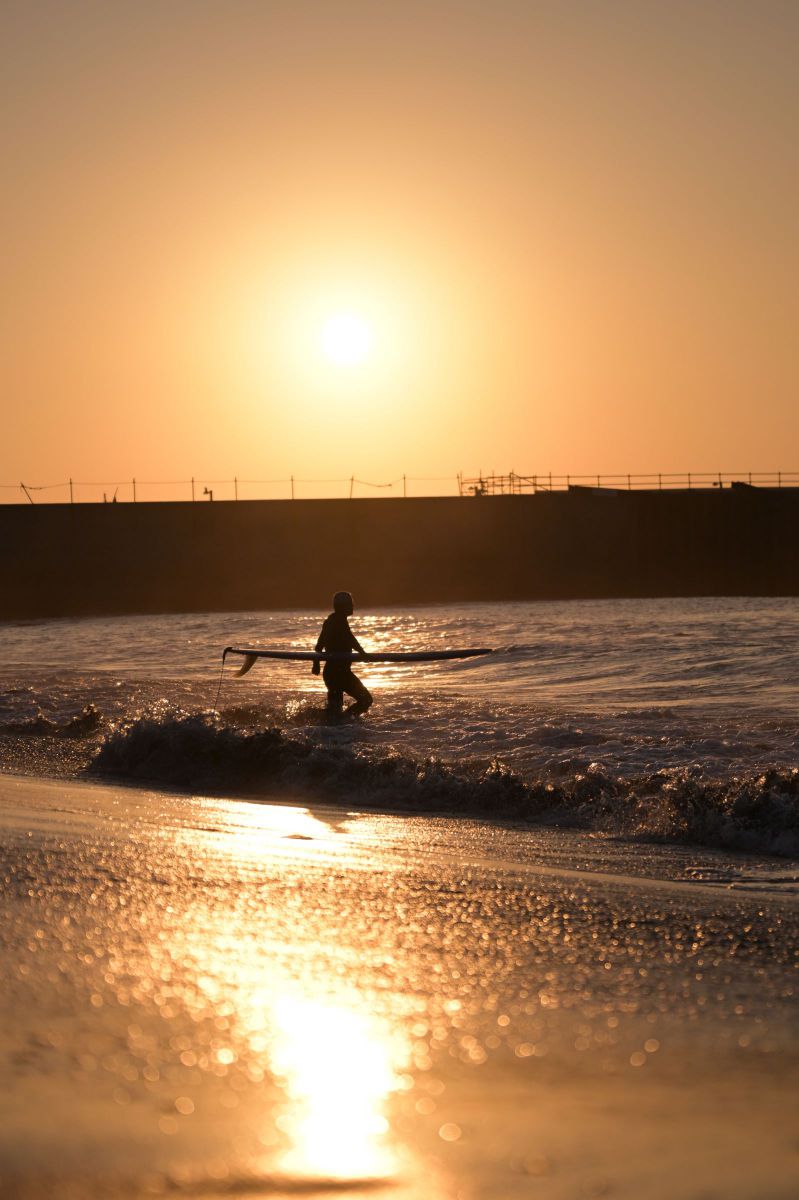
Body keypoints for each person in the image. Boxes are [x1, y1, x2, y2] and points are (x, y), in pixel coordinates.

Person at [313, 591, 373, 716]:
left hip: (330, 673)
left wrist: (316, 664)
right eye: (350, 604)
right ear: (343, 606)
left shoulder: (329, 621)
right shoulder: (340, 621)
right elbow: (350, 639)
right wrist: (363, 653)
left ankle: (332, 720)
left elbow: (319, 646)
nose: (353, 607)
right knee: (366, 700)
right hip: (340, 673)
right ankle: (346, 719)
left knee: (334, 711)